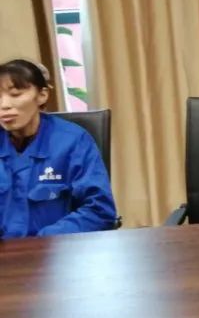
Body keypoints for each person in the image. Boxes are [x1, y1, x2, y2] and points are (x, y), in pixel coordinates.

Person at [0, 58, 118, 238]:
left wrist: (45, 241)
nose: (4, 105)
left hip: (59, 248)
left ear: (42, 95)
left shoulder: (73, 141)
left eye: (15, 94)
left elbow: (99, 210)